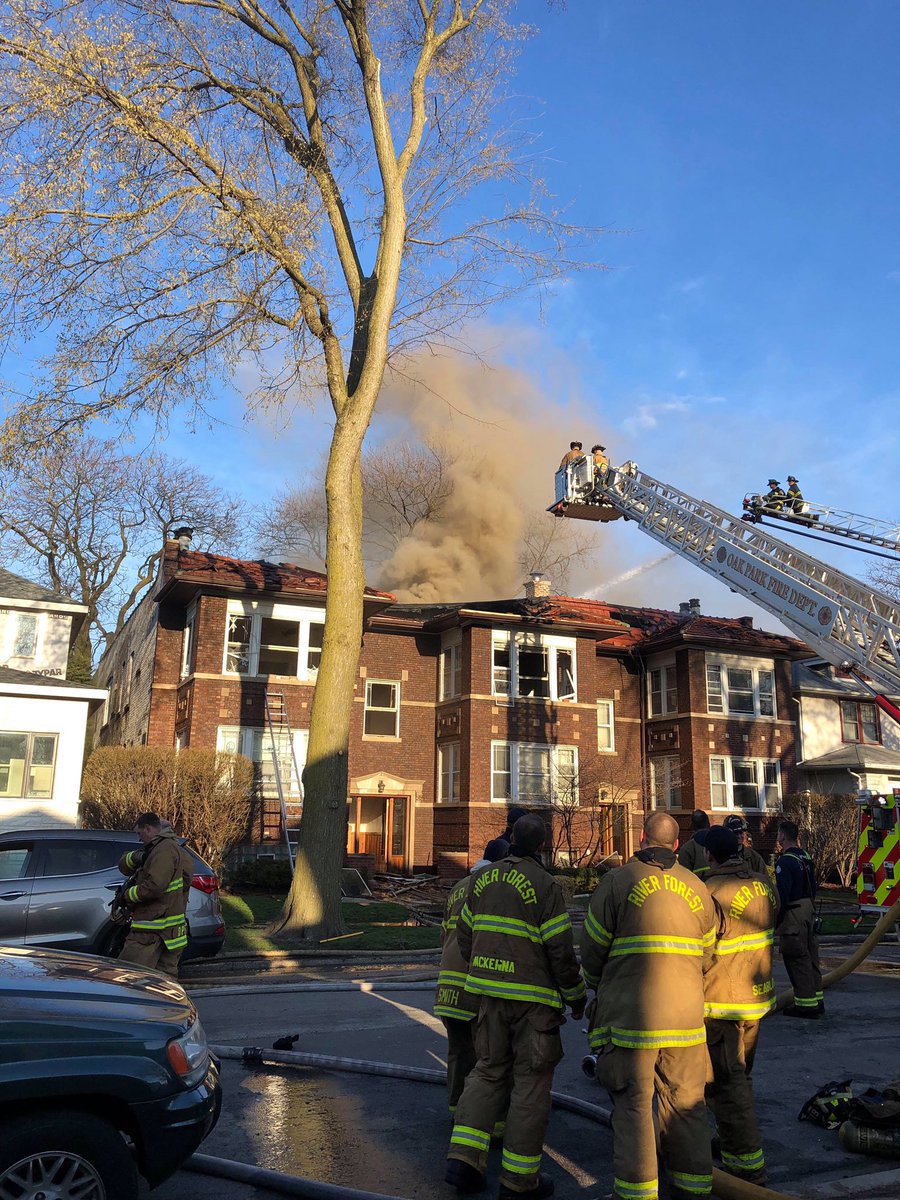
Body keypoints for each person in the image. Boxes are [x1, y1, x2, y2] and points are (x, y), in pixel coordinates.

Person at [446, 814, 585, 1199]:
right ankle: (519, 1182)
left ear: (510, 839)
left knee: (487, 1071)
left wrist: (483, 967)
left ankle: (462, 1162)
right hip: (533, 1005)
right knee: (530, 1086)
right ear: (542, 845)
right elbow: (559, 949)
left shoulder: (481, 879)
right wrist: (575, 997)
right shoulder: (545, 885)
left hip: (488, 996)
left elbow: (465, 933)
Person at [581, 810, 717, 1200]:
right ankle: (693, 1189)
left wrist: (595, 986)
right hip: (687, 1019)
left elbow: (592, 949)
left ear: (641, 838)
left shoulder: (618, 882)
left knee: (634, 1105)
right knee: (687, 1103)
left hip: (631, 1018)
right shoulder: (697, 888)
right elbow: (708, 955)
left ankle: (637, 1194)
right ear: (676, 845)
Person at [703, 825, 777, 1187]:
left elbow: (699, 951)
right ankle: (730, 1141)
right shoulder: (763, 884)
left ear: (709, 855)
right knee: (741, 1076)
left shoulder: (709, 893)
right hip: (757, 999)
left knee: (727, 1083)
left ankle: (747, 1167)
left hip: (722, 1003)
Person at [116, 812, 194, 977]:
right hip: (171, 933)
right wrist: (138, 857)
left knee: (130, 978)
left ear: (149, 829)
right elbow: (184, 883)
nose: (139, 839)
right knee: (164, 984)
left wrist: (127, 895)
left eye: (139, 833)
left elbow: (154, 886)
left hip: (151, 930)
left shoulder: (163, 850)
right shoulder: (175, 850)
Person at [434, 870, 483, 1121]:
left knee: (457, 1051)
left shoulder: (457, 888)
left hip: (448, 985)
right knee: (485, 1056)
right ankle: (476, 1116)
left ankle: (456, 1110)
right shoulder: (490, 887)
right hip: (473, 983)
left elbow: (444, 935)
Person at [775, 819, 823, 1019]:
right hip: (809, 908)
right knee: (811, 955)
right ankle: (817, 999)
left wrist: (776, 920)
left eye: (778, 834)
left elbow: (783, 894)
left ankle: (805, 1004)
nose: (777, 837)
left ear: (783, 836)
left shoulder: (785, 862)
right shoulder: (805, 856)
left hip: (794, 911)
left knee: (797, 957)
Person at [677, 809, 712, 877]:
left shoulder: (687, 848)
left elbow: (682, 876)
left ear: (692, 826)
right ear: (708, 824)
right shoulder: (720, 843)